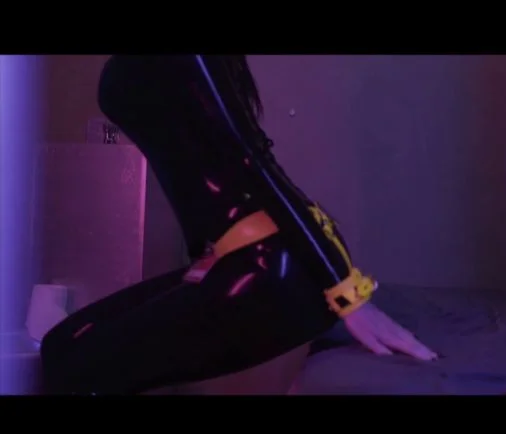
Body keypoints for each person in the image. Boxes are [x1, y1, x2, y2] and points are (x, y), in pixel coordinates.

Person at [39, 55, 437, 395]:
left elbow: (251, 160)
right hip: (240, 254)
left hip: (269, 263)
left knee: (74, 368)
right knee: (62, 349)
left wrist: (346, 291)